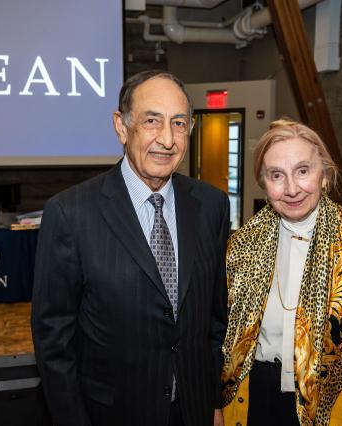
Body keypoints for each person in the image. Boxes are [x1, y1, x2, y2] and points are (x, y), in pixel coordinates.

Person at [31, 70, 230, 426]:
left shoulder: (212, 206)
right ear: (122, 127)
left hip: (194, 410)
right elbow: (53, 340)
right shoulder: (70, 213)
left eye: (179, 123)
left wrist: (213, 399)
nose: (167, 139)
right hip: (112, 413)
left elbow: (215, 320)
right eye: (152, 121)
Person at [221, 119, 342, 426]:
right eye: (277, 175)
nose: (291, 189)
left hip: (333, 399)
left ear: (325, 175)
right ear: (263, 182)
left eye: (303, 171)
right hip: (256, 395)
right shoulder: (241, 246)